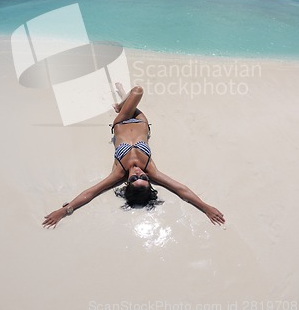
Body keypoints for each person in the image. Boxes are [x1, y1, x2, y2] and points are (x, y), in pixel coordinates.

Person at [42, 84, 225, 228]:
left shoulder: (118, 173)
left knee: (136, 92)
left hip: (121, 122)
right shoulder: (151, 170)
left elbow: (91, 192)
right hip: (140, 120)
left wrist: (64, 211)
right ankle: (122, 102)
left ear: (127, 182)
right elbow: (181, 190)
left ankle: (122, 103)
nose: (139, 172)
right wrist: (206, 208)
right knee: (137, 92)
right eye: (144, 178)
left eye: (135, 178)